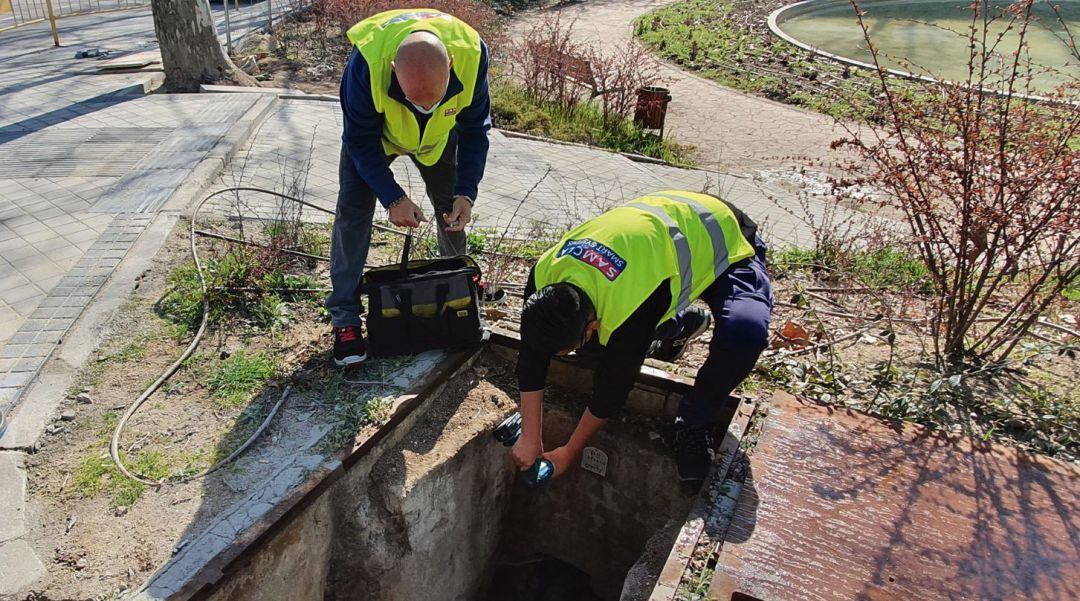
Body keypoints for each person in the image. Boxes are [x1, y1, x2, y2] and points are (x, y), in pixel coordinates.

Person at [512, 190, 773, 482]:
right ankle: (676, 327)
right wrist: (530, 436)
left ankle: (693, 423)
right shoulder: (543, 276)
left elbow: (611, 391)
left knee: (745, 332)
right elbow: (531, 358)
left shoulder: (629, 306)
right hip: (662, 251)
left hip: (726, 239)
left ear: (592, 325)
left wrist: (569, 453)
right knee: (601, 348)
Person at [326, 9, 492, 366]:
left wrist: (468, 191)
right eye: (418, 102)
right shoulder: (367, 65)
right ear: (393, 73)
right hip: (377, 138)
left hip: (437, 141)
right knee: (353, 212)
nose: (427, 109)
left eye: (435, 99)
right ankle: (345, 319)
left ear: (450, 63)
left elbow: (476, 129)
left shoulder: (472, 53)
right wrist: (393, 196)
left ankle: (460, 288)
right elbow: (358, 139)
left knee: (452, 207)